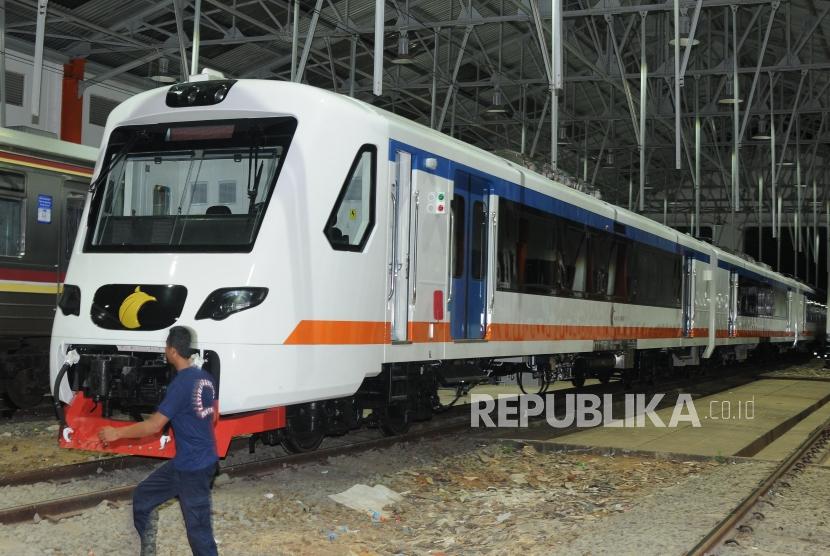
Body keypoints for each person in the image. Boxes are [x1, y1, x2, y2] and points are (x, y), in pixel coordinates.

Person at [98, 326, 219, 556]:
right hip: (192, 462)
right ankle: (148, 547)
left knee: (199, 531)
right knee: (144, 496)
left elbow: (154, 426)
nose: (165, 350)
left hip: (193, 469)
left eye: (166, 346)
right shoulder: (205, 377)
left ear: (173, 351)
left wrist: (117, 433)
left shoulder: (181, 384)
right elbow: (214, 414)